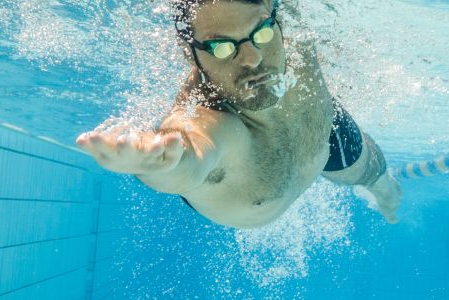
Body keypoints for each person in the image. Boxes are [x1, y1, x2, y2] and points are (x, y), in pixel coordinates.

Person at [76, 0, 401, 228]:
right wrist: (159, 162)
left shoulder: (289, 29)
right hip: (245, 172)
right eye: (222, 46)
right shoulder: (206, 117)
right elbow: (193, 153)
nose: (252, 58)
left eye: (260, 32)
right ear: (188, 52)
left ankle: (385, 192)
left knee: (375, 176)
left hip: (319, 127)